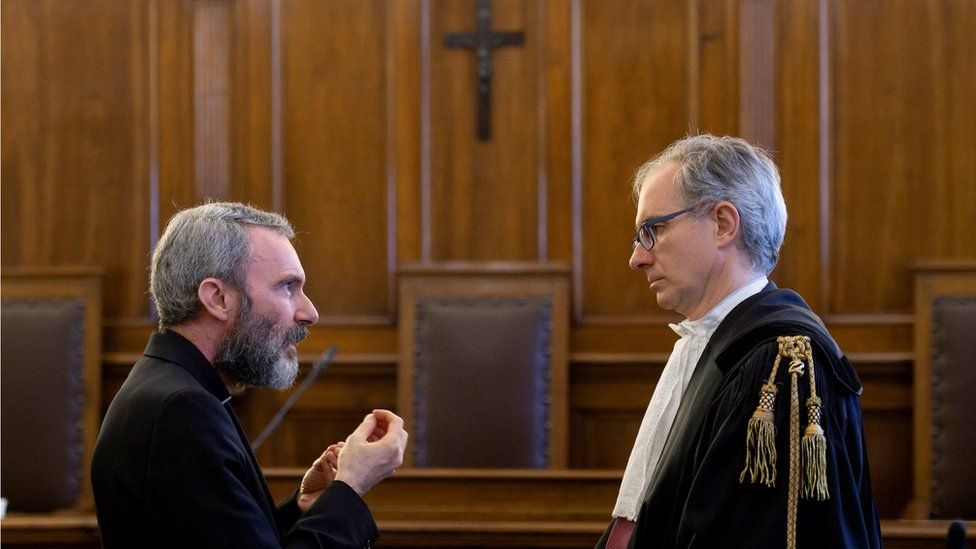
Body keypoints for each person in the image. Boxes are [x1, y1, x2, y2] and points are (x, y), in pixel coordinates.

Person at [595, 135, 881, 548]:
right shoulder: (715, 342)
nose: (638, 257)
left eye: (653, 229)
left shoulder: (778, 361)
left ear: (723, 224)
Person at [91, 202, 408, 548]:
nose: (310, 312)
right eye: (287, 286)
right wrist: (350, 485)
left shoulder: (173, 386)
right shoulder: (181, 410)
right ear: (218, 298)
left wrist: (302, 507)